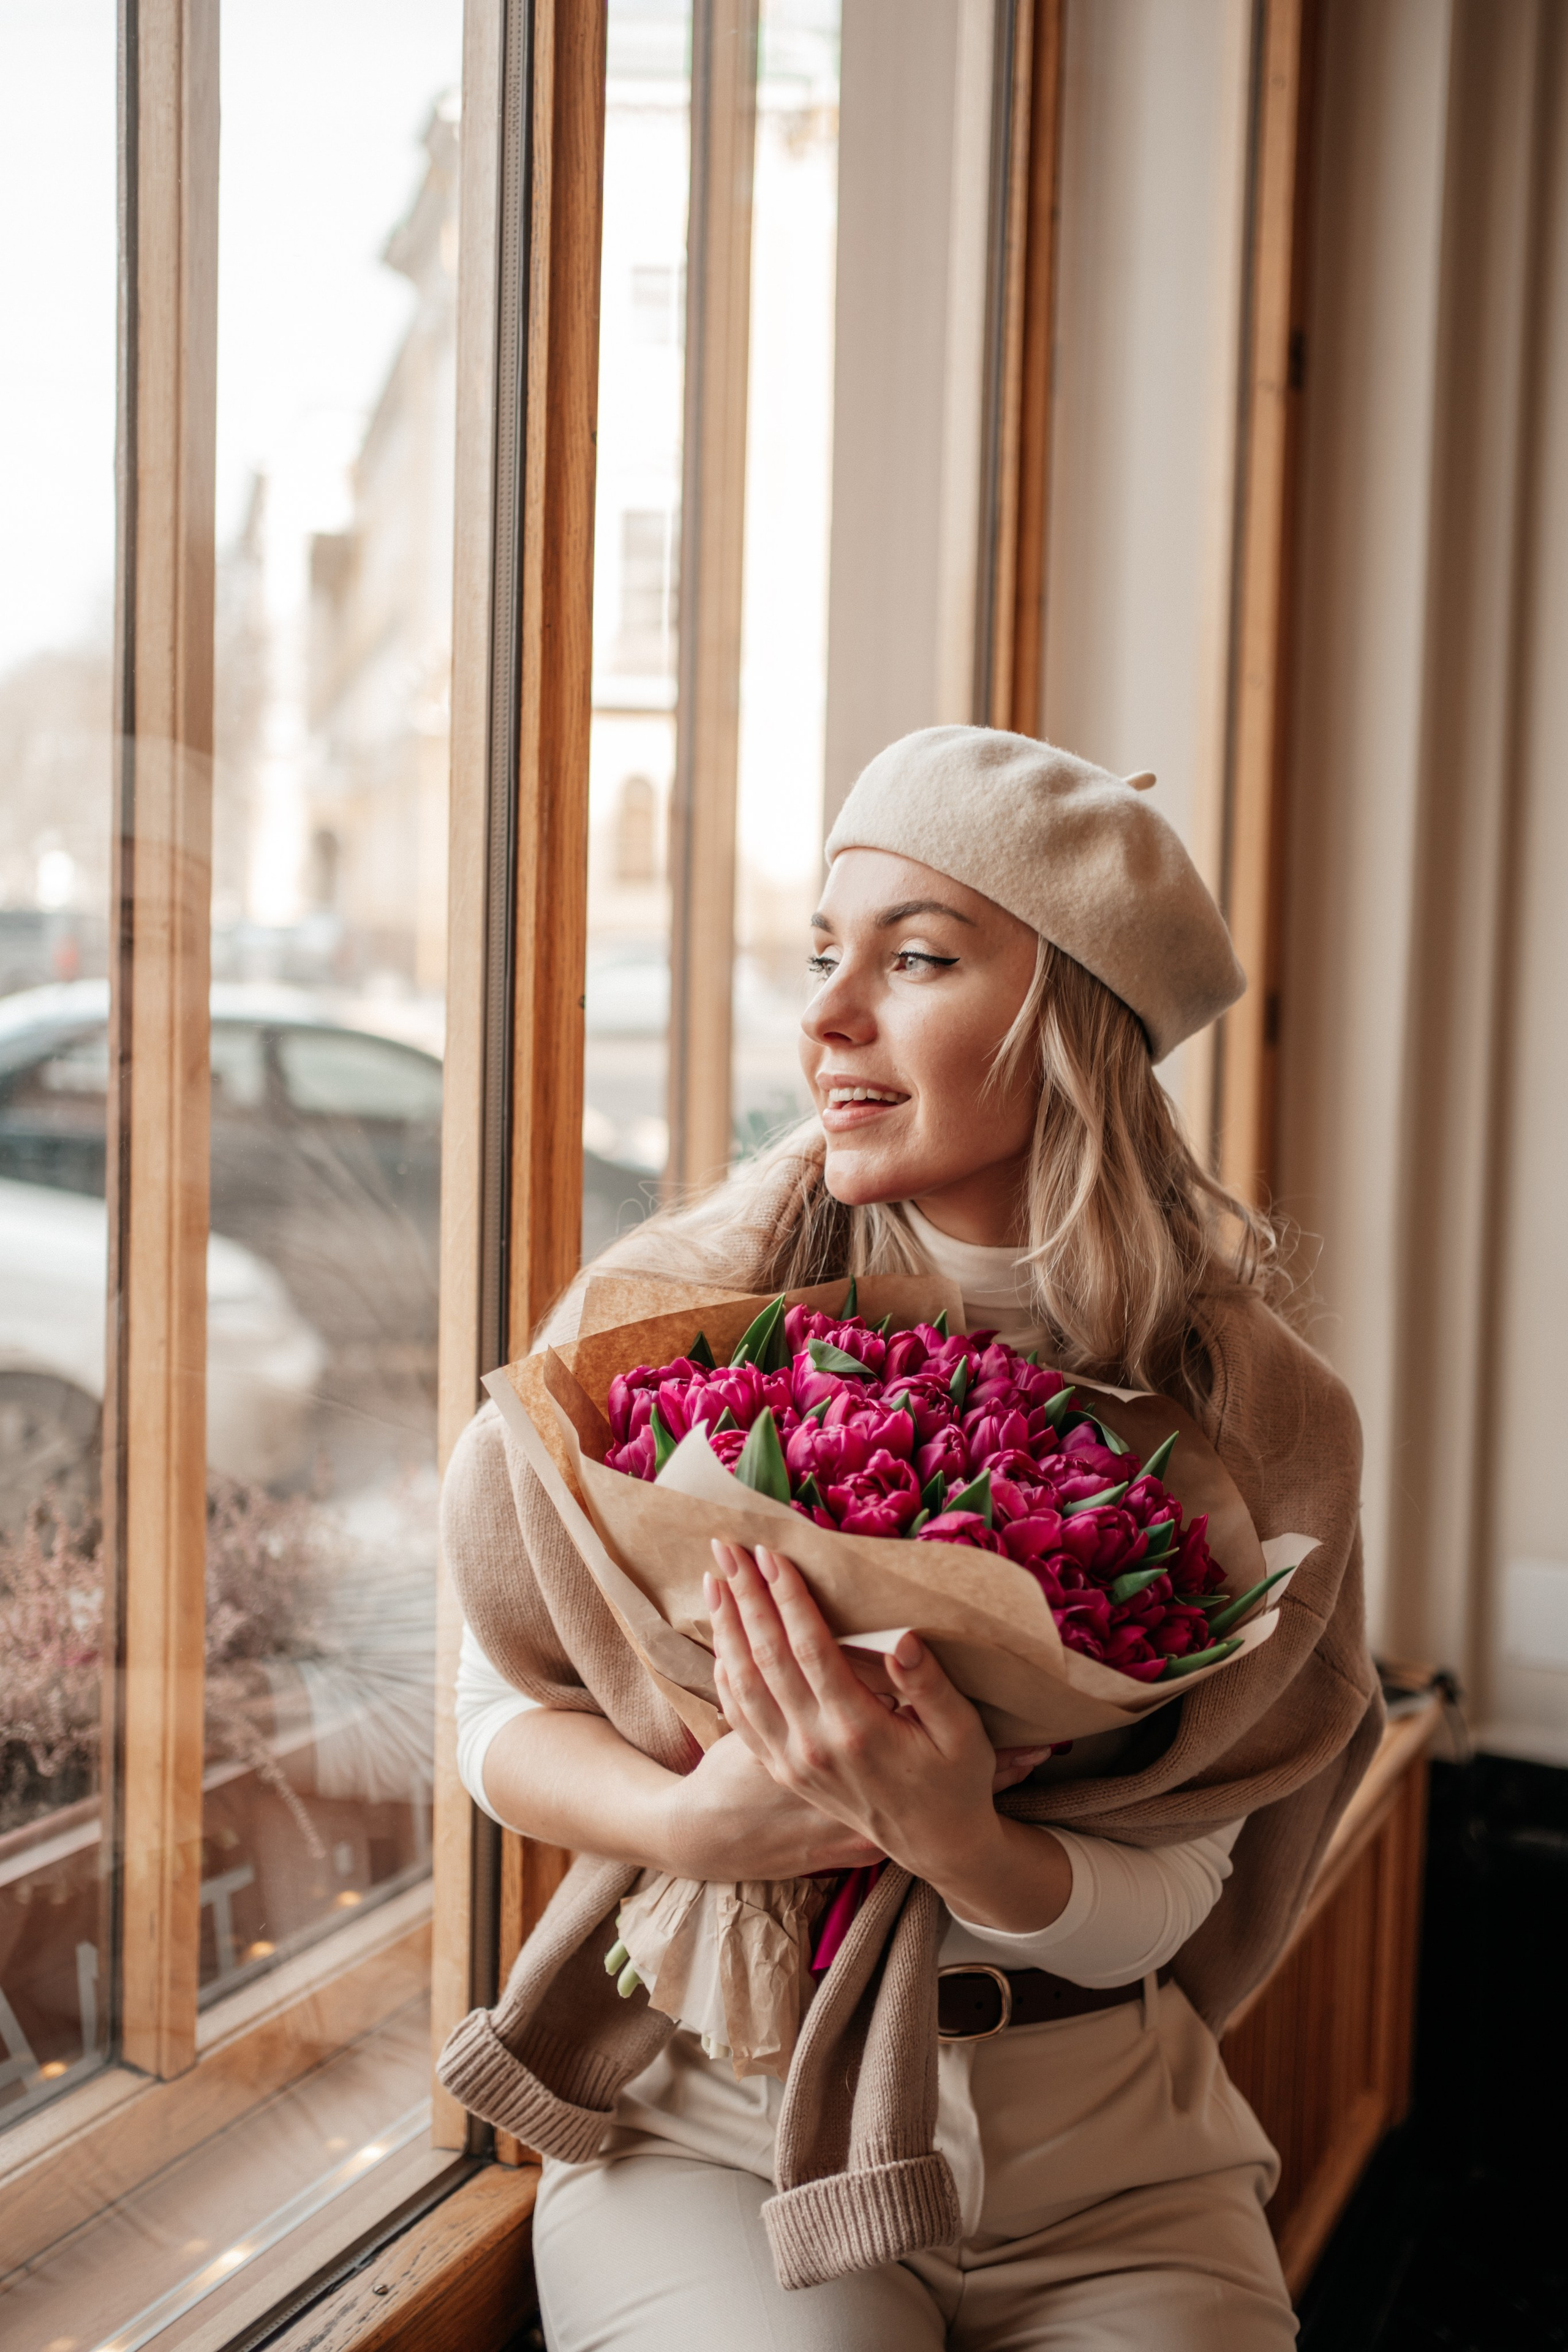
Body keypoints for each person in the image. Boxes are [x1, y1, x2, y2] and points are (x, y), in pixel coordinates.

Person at [439, 726, 1381, 2350]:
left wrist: (962, 1839)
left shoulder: (1266, 1418)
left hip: (1121, 2165)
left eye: (918, 958)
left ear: (1075, 1018)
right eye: (825, 954)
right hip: (718, 2132)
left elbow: (1187, 1876)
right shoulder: (668, 1321)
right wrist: (697, 1828)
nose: (826, 1016)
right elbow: (491, 1715)